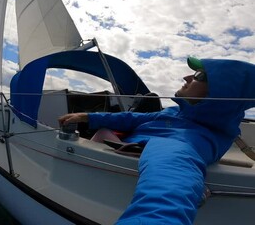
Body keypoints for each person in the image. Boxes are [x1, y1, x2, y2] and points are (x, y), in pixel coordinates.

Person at [58, 57, 255, 225]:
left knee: (103, 133)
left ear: (220, 94)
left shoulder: (185, 142)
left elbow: (167, 192)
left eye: (198, 76)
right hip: (136, 140)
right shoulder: (176, 112)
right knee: (105, 129)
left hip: (140, 152)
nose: (186, 77)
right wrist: (89, 117)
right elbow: (134, 119)